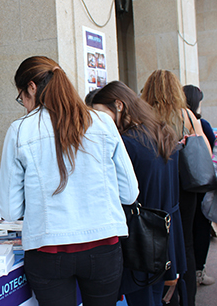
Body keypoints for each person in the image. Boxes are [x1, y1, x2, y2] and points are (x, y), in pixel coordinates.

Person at [0, 56, 139, 306]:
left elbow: (10, 210)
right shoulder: (103, 121)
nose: (24, 105)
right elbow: (129, 193)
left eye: (22, 98)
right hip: (104, 246)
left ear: (31, 87)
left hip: (48, 251)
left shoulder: (20, 130)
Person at [92, 81, 186, 306]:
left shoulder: (127, 143)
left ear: (119, 105)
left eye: (101, 114)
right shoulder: (161, 131)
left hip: (141, 239)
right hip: (164, 233)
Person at [141, 70, 212, 306]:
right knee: (187, 243)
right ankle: (187, 298)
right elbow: (206, 152)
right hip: (188, 187)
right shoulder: (188, 116)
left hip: (160, 186)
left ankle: (163, 294)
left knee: (159, 239)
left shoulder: (146, 116)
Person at [183, 84, 216, 286]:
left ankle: (186, 272)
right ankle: (197, 271)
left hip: (182, 183)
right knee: (201, 225)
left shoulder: (174, 119)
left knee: (188, 227)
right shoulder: (199, 123)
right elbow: (209, 147)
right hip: (200, 181)